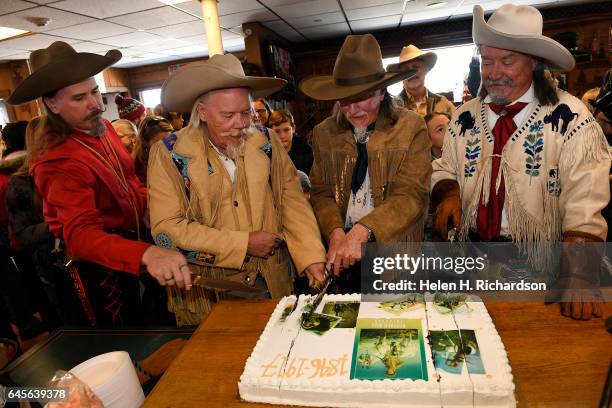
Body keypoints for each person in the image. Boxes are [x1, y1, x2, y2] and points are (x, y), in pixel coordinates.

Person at [431, 4, 610, 320]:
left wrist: (580, 275)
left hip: (544, 275)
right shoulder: (464, 117)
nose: (494, 72)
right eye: (487, 61)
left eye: (507, 61)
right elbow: (446, 166)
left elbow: (586, 195)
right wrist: (448, 191)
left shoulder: (570, 118)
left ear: (535, 63)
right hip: (472, 269)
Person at [7, 41, 191, 327]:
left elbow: (128, 181)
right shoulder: (57, 161)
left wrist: (147, 208)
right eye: (79, 98)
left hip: (132, 241)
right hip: (98, 265)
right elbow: (81, 236)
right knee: (126, 342)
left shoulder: (102, 127)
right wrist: (146, 253)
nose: (95, 104)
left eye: (94, 92)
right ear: (52, 104)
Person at [147, 53, 327, 325]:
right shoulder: (169, 154)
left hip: (271, 280)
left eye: (246, 113)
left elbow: (292, 200)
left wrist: (311, 256)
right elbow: (167, 230)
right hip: (208, 292)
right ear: (202, 113)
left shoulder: (266, 141)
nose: (241, 124)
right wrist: (243, 244)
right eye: (228, 115)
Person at [300, 34, 432, 293]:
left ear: (382, 92)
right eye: (346, 99)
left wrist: (362, 231)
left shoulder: (411, 127)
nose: (354, 109)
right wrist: (336, 231)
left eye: (363, 97)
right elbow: (322, 191)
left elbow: (411, 195)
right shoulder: (324, 132)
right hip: (342, 254)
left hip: (395, 255)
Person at [396, 45, 456, 116]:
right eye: (406, 70)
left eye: (415, 67)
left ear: (426, 70)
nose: (411, 73)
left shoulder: (444, 103)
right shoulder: (391, 108)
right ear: (400, 77)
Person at [268, 109, 314, 174]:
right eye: (277, 131)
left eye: (286, 130)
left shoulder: (305, 150)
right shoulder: (266, 152)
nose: (282, 136)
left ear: (293, 129)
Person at [133, 115, 173, 184]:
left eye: (169, 141)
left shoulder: (175, 155)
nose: (168, 148)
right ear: (145, 143)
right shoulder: (140, 169)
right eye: (160, 145)